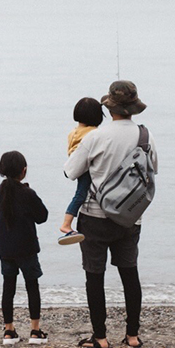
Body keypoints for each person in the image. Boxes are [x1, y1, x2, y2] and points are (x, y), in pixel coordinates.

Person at [63, 80, 158, 348]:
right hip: (130, 218)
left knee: (95, 276)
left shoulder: (96, 137)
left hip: (94, 216)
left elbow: (70, 171)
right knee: (130, 275)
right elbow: (153, 171)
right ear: (133, 108)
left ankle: (101, 338)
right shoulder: (145, 136)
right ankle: (132, 335)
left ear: (111, 108)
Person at [0, 150, 50, 345]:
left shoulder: (0, 191)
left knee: (8, 288)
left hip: (6, 249)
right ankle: (35, 330)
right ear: (23, 171)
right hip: (26, 248)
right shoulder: (27, 193)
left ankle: (9, 331)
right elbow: (42, 216)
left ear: (1, 170)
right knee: (32, 286)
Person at [58, 97, 105, 245]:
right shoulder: (93, 133)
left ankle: (67, 224)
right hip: (86, 167)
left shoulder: (74, 132)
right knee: (81, 194)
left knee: (80, 193)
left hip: (76, 163)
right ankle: (66, 225)